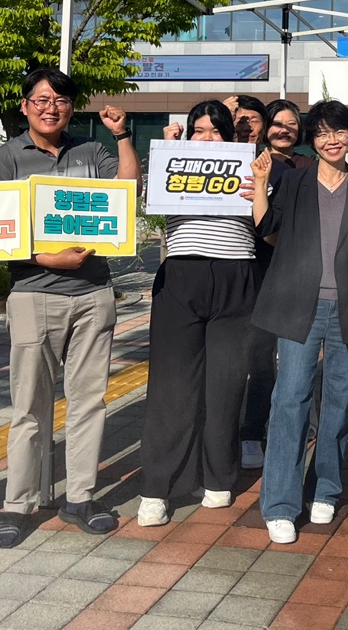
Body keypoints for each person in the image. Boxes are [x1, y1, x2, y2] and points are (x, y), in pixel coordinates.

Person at [0, 67, 139, 548]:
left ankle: (80, 497)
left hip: (93, 293)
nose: (51, 108)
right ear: (25, 105)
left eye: (61, 101)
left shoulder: (91, 150)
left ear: (72, 107)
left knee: (89, 401)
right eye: (42, 99)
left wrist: (123, 136)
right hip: (34, 293)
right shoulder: (3, 158)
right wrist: (44, 258)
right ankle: (17, 504)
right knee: (29, 406)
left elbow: (127, 194)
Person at [250, 100, 348, 544]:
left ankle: (325, 489)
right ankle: (280, 503)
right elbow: (267, 227)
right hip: (300, 304)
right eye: (321, 133)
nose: (331, 140)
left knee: (339, 399)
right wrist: (260, 185)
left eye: (339, 132)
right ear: (311, 140)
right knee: (290, 399)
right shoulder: (295, 180)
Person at [137, 101, 258, 527]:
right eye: (199, 130)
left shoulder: (251, 164)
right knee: (172, 386)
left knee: (226, 383)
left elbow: (265, 220)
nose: (208, 138)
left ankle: (218, 476)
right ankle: (157, 487)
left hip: (236, 274)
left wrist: (259, 184)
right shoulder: (171, 162)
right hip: (182, 275)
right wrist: (165, 151)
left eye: (216, 130)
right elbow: (147, 201)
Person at [239, 99, 312, 470]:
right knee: (252, 356)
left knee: (275, 356)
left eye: (292, 124)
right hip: (245, 269)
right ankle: (246, 431)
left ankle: (257, 431)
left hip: (286, 273)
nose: (284, 130)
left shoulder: (305, 167)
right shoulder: (246, 162)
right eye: (277, 123)